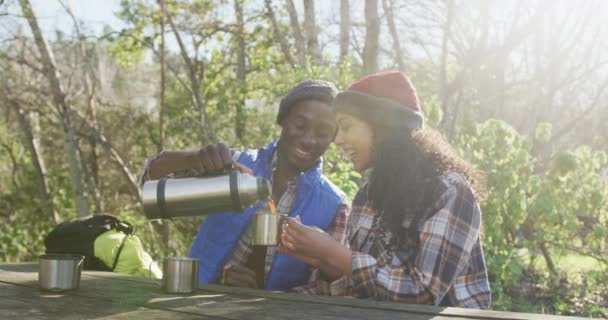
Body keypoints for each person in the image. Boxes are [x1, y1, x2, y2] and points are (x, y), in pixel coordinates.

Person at [277, 71, 491, 308]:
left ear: (384, 127)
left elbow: (422, 294)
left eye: (346, 126)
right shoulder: (367, 197)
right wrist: (327, 264)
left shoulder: (451, 193)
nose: (336, 139)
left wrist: (335, 254)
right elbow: (363, 288)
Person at [141, 80, 348, 292]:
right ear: (283, 120)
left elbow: (329, 287)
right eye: (300, 125)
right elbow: (150, 183)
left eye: (323, 132)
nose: (308, 139)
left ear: (333, 138)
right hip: (192, 302)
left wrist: (267, 295)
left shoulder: (335, 206)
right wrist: (194, 159)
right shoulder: (234, 164)